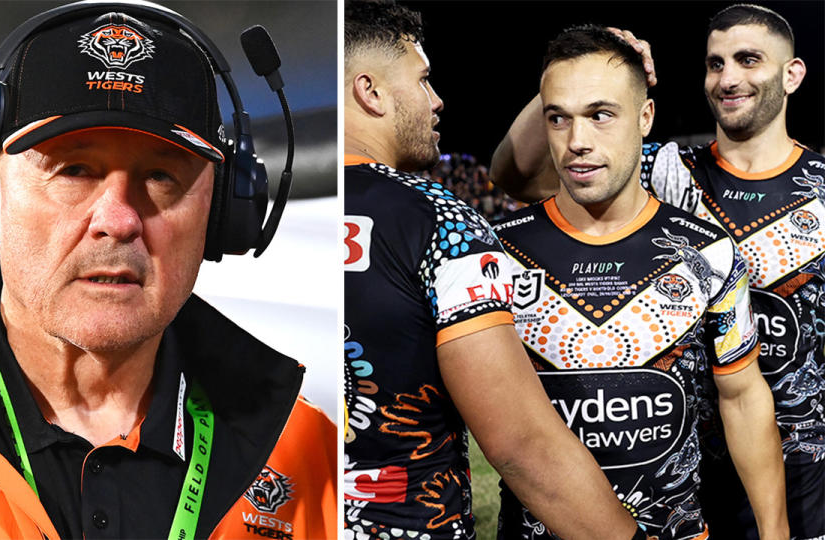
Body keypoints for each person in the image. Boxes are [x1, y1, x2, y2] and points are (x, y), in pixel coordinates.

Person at [0, 1, 336, 539]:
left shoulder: (317, 462)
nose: (118, 220)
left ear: (223, 211)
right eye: (75, 170)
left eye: (161, 175)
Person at [491, 5, 824, 539]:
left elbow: (744, 394)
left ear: (792, 73)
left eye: (748, 59)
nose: (729, 77)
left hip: (800, 466)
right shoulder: (664, 168)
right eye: (716, 63)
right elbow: (516, 174)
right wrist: (579, 73)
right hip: (690, 474)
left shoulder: (809, 194)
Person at [343, 2, 645, 539]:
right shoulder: (439, 221)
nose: (437, 101)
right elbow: (523, 448)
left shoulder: (259, 217)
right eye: (423, 80)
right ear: (371, 92)